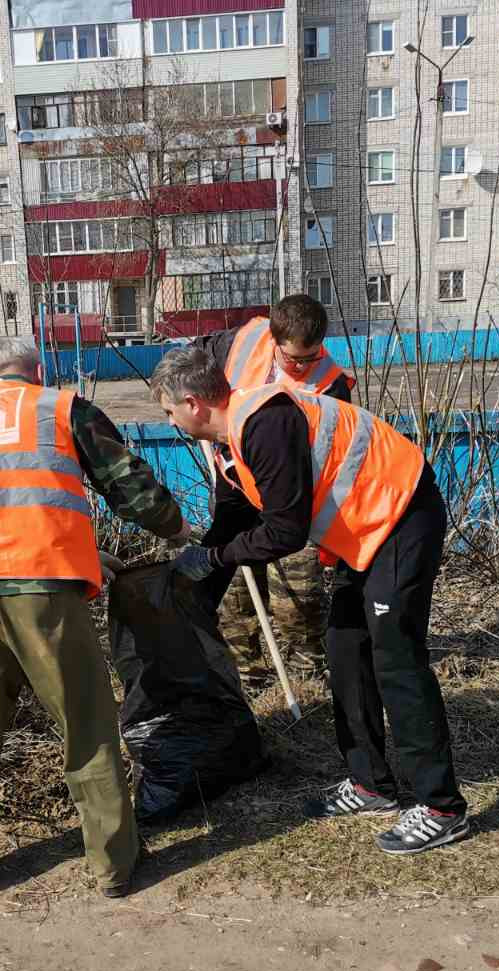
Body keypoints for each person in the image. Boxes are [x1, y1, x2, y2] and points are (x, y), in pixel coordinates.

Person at [151, 347, 470, 856]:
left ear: (192, 403)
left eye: (168, 411)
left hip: (401, 513)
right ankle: (371, 784)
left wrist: (211, 561)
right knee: (345, 648)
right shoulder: (230, 448)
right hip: (365, 531)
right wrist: (192, 602)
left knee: (396, 660)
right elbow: (232, 527)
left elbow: (283, 532)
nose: (170, 422)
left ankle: (441, 807)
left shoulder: (265, 425)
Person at [0, 338, 191, 902]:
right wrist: (178, 531)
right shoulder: (60, 407)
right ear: (36, 373)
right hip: (44, 595)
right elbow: (126, 485)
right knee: (85, 726)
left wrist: (83, 554)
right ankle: (115, 868)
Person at [191, 295, 353, 679]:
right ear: (273, 338)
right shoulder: (241, 343)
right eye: (292, 358)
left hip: (292, 498)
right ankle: (247, 670)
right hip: (235, 485)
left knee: (298, 588)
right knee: (235, 585)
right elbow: (190, 361)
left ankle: (307, 668)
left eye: (310, 357)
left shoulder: (331, 384)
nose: (301, 366)